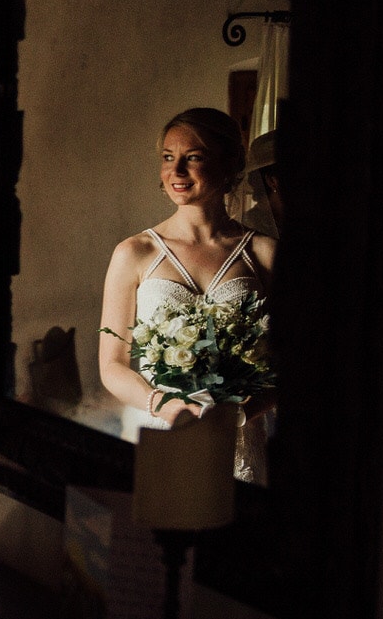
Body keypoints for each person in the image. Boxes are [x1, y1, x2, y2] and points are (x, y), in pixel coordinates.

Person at [97, 107, 276, 466]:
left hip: (237, 441)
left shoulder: (264, 252)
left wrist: (242, 411)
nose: (176, 171)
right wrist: (162, 406)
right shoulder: (134, 253)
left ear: (228, 165)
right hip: (160, 431)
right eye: (168, 157)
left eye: (192, 157)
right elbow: (112, 365)